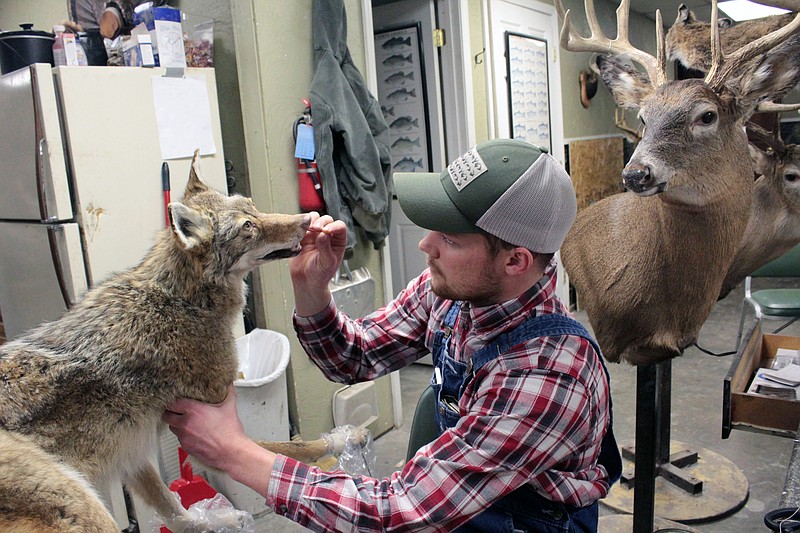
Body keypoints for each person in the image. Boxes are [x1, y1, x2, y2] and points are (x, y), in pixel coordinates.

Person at [164, 138, 622, 532]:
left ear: (515, 261)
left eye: (451, 237)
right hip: (453, 508)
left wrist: (232, 451)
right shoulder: (451, 294)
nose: (426, 244)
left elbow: (402, 514)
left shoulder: (550, 376)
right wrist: (312, 291)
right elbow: (354, 358)